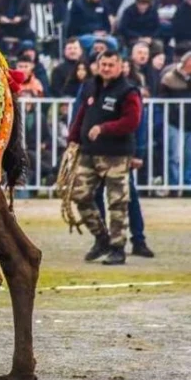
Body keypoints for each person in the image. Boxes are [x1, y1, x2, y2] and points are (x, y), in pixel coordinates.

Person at [67, 51, 142, 265]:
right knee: (79, 195)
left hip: (116, 155)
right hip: (89, 152)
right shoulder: (91, 86)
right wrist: (73, 138)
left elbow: (132, 121)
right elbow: (83, 113)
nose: (106, 68)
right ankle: (102, 238)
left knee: (117, 202)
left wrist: (104, 128)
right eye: (103, 64)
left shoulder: (128, 91)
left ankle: (118, 248)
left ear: (120, 67)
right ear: (97, 65)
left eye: (111, 65)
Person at [156, 52, 191, 188]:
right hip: (174, 122)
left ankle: (188, 184)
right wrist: (173, 113)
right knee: (174, 155)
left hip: (190, 122)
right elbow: (162, 98)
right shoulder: (169, 78)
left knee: (189, 156)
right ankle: (174, 185)